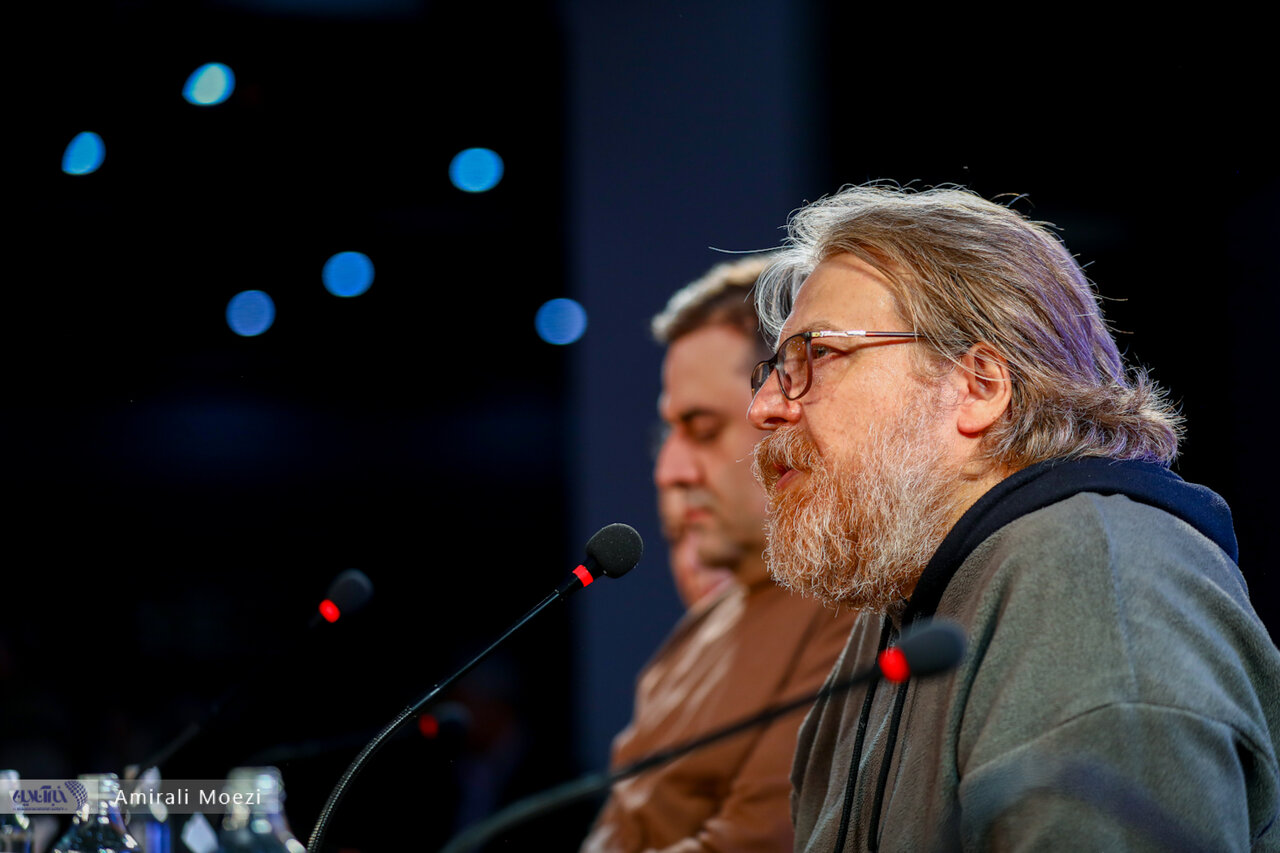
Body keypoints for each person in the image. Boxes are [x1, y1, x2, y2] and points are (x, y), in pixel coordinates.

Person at [745, 184, 1280, 851]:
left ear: (979, 386)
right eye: (775, 368)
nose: (764, 407)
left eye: (818, 355)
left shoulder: (1093, 583)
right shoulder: (899, 617)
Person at [581, 256, 857, 852]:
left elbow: (761, 842)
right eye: (668, 435)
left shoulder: (855, 610)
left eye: (702, 429)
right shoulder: (698, 631)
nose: (669, 471)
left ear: (785, 409)